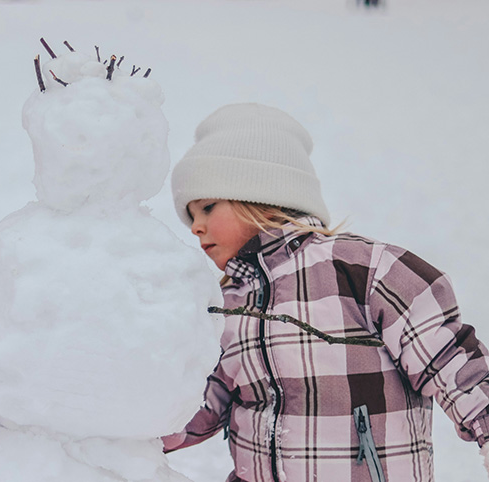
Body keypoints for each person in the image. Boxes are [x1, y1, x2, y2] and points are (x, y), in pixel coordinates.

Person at [164, 103, 489, 481]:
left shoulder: (364, 270)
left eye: (207, 207)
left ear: (259, 196)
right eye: (191, 216)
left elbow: (449, 359)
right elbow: (195, 407)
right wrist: (126, 424)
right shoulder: (226, 306)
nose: (195, 227)